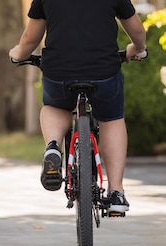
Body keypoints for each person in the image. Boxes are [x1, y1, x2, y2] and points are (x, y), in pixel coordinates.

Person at [9, 0, 146, 214]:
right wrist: (136, 49)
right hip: (104, 72)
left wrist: (18, 54)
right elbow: (136, 29)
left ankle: (53, 146)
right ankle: (117, 192)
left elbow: (30, 39)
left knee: (55, 107)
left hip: (59, 73)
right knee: (111, 118)